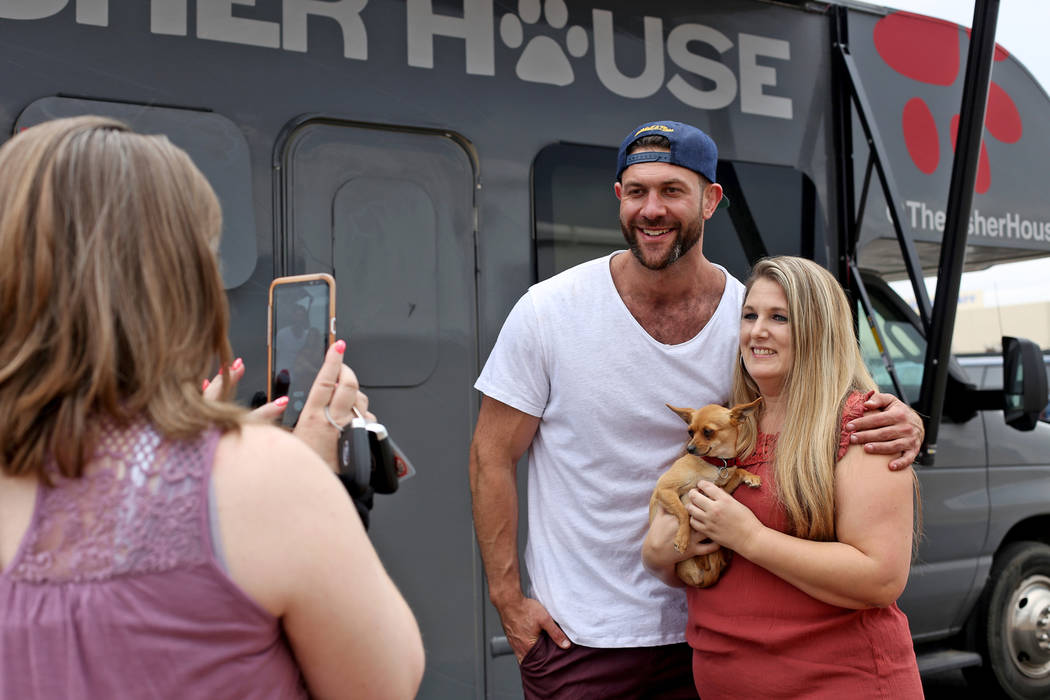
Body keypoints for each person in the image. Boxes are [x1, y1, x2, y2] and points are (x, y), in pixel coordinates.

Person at [469, 119, 925, 698]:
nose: (651, 209)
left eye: (672, 191)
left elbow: (822, 394)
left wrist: (900, 419)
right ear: (619, 199)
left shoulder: (747, 318)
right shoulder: (549, 312)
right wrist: (508, 601)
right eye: (636, 192)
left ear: (711, 201)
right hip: (582, 637)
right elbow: (490, 457)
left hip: (708, 638)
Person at [0, 116, 424, 699]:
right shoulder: (267, 480)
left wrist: (179, 449)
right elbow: (384, 686)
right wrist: (314, 475)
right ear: (180, 283)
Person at [642, 256, 922, 698]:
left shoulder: (861, 424)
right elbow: (686, 557)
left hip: (839, 685)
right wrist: (657, 557)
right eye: (750, 316)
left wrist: (749, 537)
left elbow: (880, 579)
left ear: (817, 330)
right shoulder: (726, 430)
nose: (757, 331)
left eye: (780, 318)